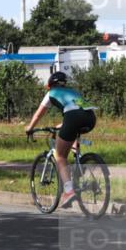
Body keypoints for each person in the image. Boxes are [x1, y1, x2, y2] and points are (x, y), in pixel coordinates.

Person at [24, 71, 97, 208]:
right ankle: (79, 160)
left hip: (73, 118)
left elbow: (38, 115)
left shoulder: (51, 93)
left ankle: (69, 191)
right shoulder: (73, 92)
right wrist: (62, 125)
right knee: (71, 135)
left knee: (60, 156)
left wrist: (30, 128)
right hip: (90, 118)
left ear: (50, 85)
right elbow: (77, 110)